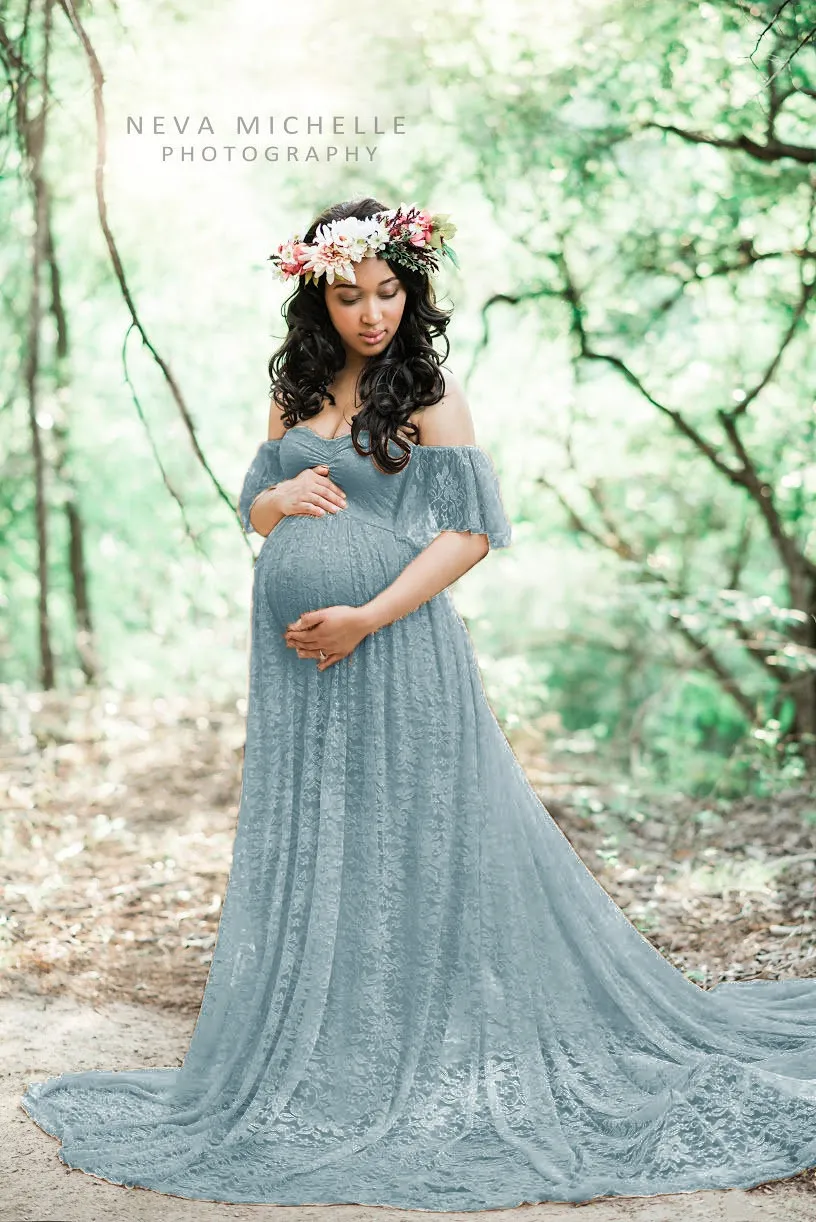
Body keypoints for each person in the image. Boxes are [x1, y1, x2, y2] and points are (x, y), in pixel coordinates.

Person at [19, 198, 816, 1210]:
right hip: (298, 675)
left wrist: (364, 615)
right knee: (330, 838)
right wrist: (280, 503)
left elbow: (469, 533)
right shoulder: (295, 388)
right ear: (318, 295)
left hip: (398, 652)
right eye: (349, 295)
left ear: (412, 288)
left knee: (417, 836)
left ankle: (423, 1039)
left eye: (388, 292)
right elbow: (255, 509)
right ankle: (332, 1035)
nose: (371, 314)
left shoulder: (427, 389)